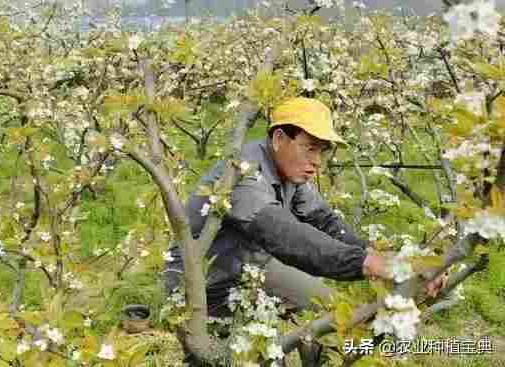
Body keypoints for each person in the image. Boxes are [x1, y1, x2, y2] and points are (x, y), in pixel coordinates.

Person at [163, 97, 444, 363]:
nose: (318, 162)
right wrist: (367, 264)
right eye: (310, 147)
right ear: (278, 139)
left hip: (250, 266)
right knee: (228, 357)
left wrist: (390, 260)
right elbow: (284, 235)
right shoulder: (244, 171)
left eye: (322, 150)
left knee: (331, 311)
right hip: (204, 283)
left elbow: (324, 221)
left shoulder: (291, 174)